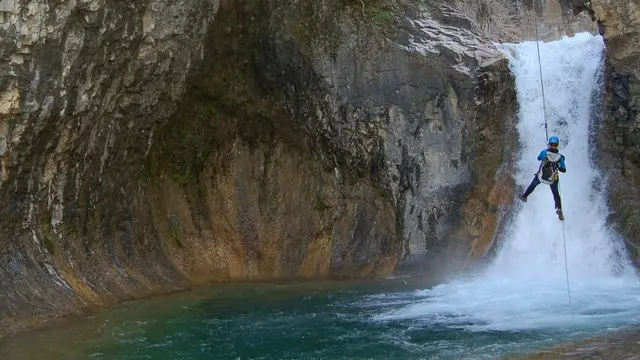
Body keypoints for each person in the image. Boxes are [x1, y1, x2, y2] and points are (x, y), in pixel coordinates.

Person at [519, 136, 567, 221]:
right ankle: (559, 209)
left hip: (541, 177)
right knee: (556, 194)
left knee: (532, 185)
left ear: (549, 144)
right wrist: (557, 166)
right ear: (557, 145)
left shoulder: (545, 152)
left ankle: (524, 196)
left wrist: (546, 153)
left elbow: (539, 158)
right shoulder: (560, 157)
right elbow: (563, 170)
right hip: (552, 180)